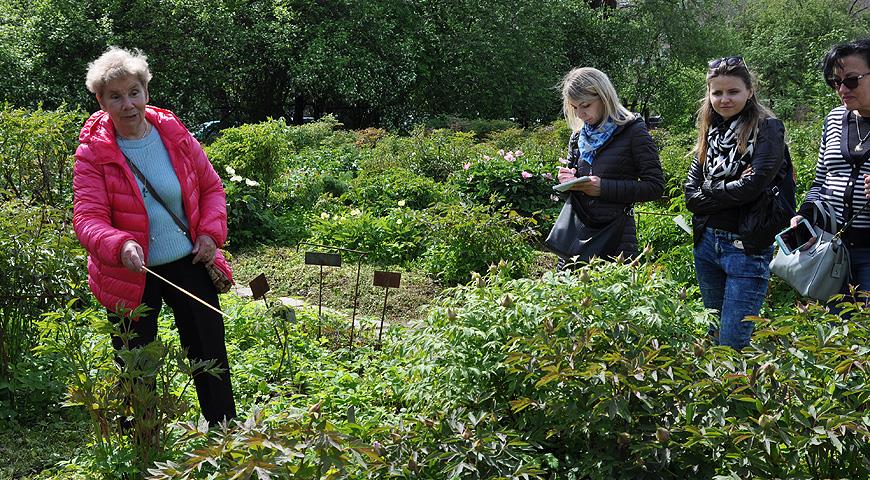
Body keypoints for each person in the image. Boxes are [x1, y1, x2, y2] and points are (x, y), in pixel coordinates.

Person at [73, 46, 236, 424]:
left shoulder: (175, 134)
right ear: (101, 100)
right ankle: (144, 445)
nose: (127, 104)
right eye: (115, 96)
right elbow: (87, 217)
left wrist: (211, 234)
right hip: (129, 274)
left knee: (209, 352)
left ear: (146, 91)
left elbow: (212, 190)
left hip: (190, 262)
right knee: (136, 364)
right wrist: (121, 243)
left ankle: (225, 432)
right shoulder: (92, 153)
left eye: (134, 92)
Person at [685, 56, 792, 350]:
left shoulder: (768, 129)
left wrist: (710, 187)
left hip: (746, 247)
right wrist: (728, 188)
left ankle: (735, 394)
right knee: (714, 334)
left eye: (732, 91)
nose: (724, 99)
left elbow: (753, 187)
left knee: (733, 342)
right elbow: (691, 196)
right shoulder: (712, 130)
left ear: (749, 90)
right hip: (707, 242)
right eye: (717, 92)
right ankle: (717, 395)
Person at [789, 38, 870, 303]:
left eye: (851, 80)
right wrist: (804, 214)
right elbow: (821, 179)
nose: (842, 89)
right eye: (835, 82)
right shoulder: (835, 119)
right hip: (832, 250)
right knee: (835, 334)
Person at [555, 67, 664, 263]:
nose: (580, 114)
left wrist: (603, 188)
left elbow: (655, 187)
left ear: (604, 97)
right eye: (574, 107)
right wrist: (567, 181)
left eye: (585, 105)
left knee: (611, 291)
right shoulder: (579, 137)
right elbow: (572, 190)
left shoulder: (633, 132)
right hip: (577, 236)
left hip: (616, 240)